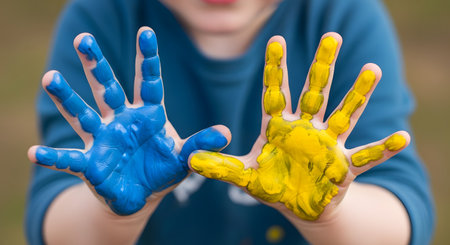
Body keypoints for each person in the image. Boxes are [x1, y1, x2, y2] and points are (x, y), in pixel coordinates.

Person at [25, 0, 435, 244]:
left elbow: (397, 220)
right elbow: (56, 224)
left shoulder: (344, 15)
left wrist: (330, 216)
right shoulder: (102, 15)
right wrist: (117, 215)